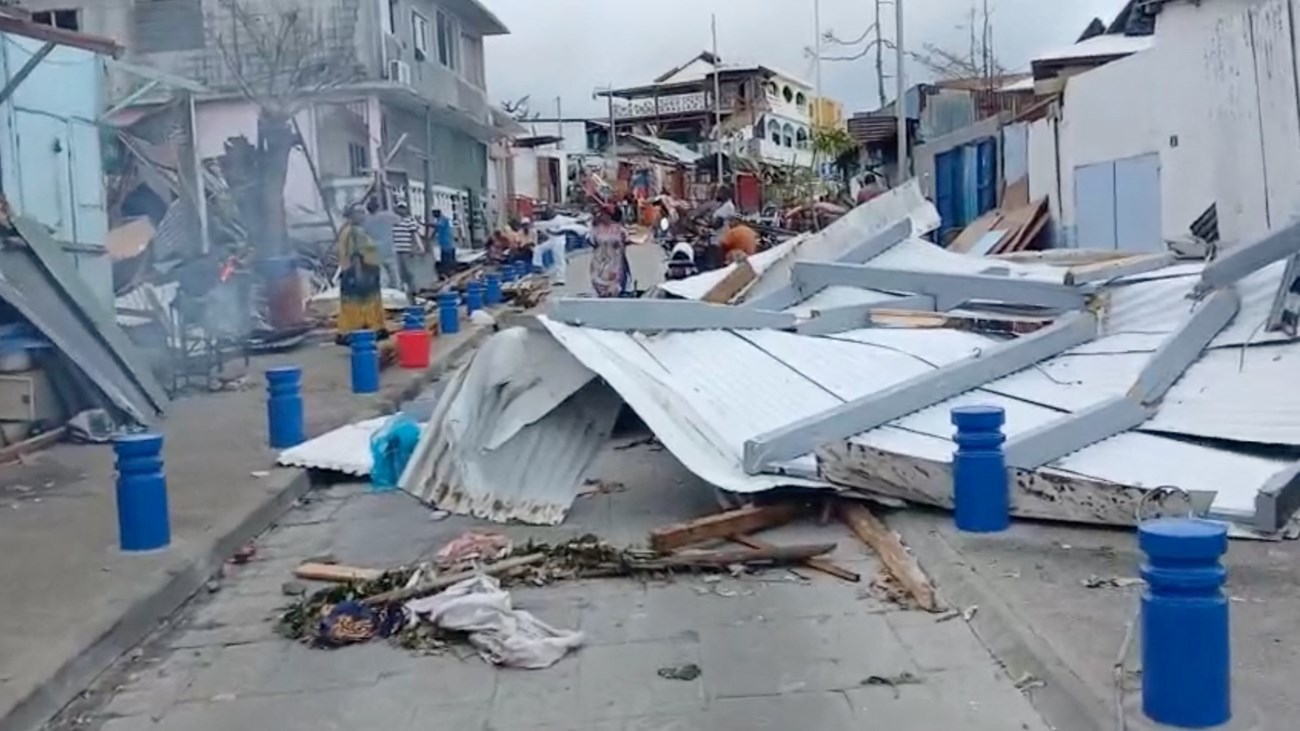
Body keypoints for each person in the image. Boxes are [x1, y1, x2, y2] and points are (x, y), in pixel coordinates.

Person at [335, 203, 386, 344]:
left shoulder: (349, 230)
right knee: (362, 304)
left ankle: (352, 331)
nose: (363, 215)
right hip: (361, 271)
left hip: (360, 271)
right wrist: (359, 275)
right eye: (359, 212)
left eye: (363, 212)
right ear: (351, 215)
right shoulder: (354, 232)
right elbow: (355, 255)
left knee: (358, 304)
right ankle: (363, 330)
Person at [590, 204, 630, 298]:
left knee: (613, 288)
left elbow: (624, 245)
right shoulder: (596, 229)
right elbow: (592, 241)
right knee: (597, 285)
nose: (601, 215)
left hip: (614, 263)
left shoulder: (620, 230)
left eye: (604, 213)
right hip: (598, 262)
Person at [362, 198, 400, 289]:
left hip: (374, 250)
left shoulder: (365, 220)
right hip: (388, 248)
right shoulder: (387, 216)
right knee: (393, 273)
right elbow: (399, 219)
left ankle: (382, 290)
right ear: (378, 207)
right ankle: (396, 290)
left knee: (380, 274)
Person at [391, 201, 424, 303]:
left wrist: (420, 247)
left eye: (403, 208)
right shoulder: (393, 221)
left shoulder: (409, 220)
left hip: (406, 250)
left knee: (408, 272)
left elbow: (415, 235)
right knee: (399, 273)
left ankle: (413, 291)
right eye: (399, 208)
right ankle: (400, 292)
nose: (401, 210)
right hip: (395, 250)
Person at [431, 208, 456, 278]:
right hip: (443, 243)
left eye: (434, 214)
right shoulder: (440, 220)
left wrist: (423, 224)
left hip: (447, 243)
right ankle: (446, 273)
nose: (433, 216)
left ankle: (449, 273)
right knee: (444, 260)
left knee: (447, 260)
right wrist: (431, 238)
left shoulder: (443, 219)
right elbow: (436, 230)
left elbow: (436, 226)